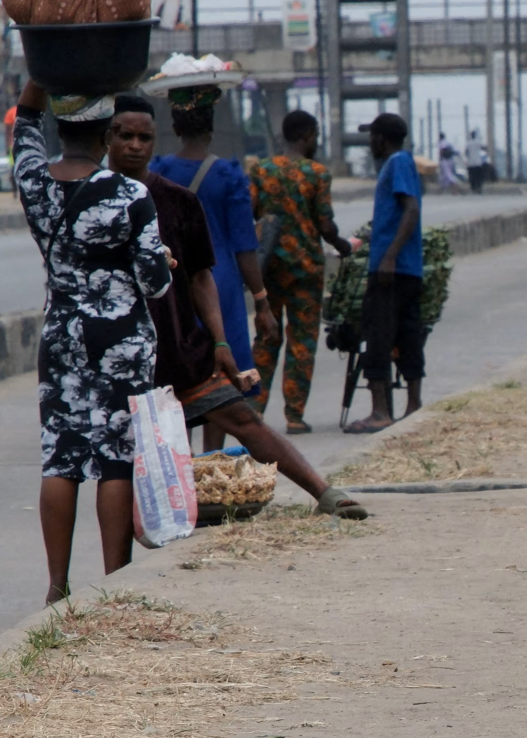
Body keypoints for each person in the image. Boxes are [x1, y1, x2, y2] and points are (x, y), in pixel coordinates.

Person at [106, 96, 367, 519]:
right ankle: (169, 520)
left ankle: (323, 492)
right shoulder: (92, 202)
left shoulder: (174, 197)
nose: (135, 145)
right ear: (107, 137)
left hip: (178, 341)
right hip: (119, 355)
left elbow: (199, 276)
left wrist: (220, 339)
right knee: (137, 453)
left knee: (240, 416)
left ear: (159, 139)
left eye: (144, 137)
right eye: (125, 135)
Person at [11, 83, 171, 606]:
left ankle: (57, 587)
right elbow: (154, 283)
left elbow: (25, 126)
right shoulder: (129, 195)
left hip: (61, 334)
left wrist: (41, 78)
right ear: (106, 136)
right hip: (120, 339)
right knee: (115, 460)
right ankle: (115, 584)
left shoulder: (33, 181)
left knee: (60, 458)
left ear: (63, 131)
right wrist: (163, 262)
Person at [150, 84, 277, 452]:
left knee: (176, 375)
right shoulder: (229, 174)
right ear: (211, 128)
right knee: (222, 380)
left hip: (173, 282)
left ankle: (182, 463)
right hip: (219, 287)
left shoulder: (159, 170)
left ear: (175, 128)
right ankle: (213, 459)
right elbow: (244, 245)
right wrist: (262, 300)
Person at [249, 109, 354, 434]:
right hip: (306, 270)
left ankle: (255, 411)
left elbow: (249, 214)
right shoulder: (317, 173)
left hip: (267, 270)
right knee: (301, 343)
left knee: (267, 338)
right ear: (308, 135)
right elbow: (324, 224)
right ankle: (294, 416)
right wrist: (342, 244)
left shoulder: (261, 171)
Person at [345, 113, 425, 434]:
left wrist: (389, 255)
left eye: (371, 137)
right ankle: (413, 406)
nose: (369, 143)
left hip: (391, 270)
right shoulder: (398, 164)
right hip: (404, 268)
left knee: (378, 336)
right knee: (408, 334)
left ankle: (381, 412)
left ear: (381, 138)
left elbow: (412, 209)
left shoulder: (397, 163)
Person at [465, 129, 489, 194]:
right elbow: (484, 148)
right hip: (478, 162)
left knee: (472, 177)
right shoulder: (478, 142)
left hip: (471, 163)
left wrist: (467, 158)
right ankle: (479, 188)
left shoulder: (468, 143)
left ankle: (473, 188)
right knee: (479, 177)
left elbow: (466, 152)